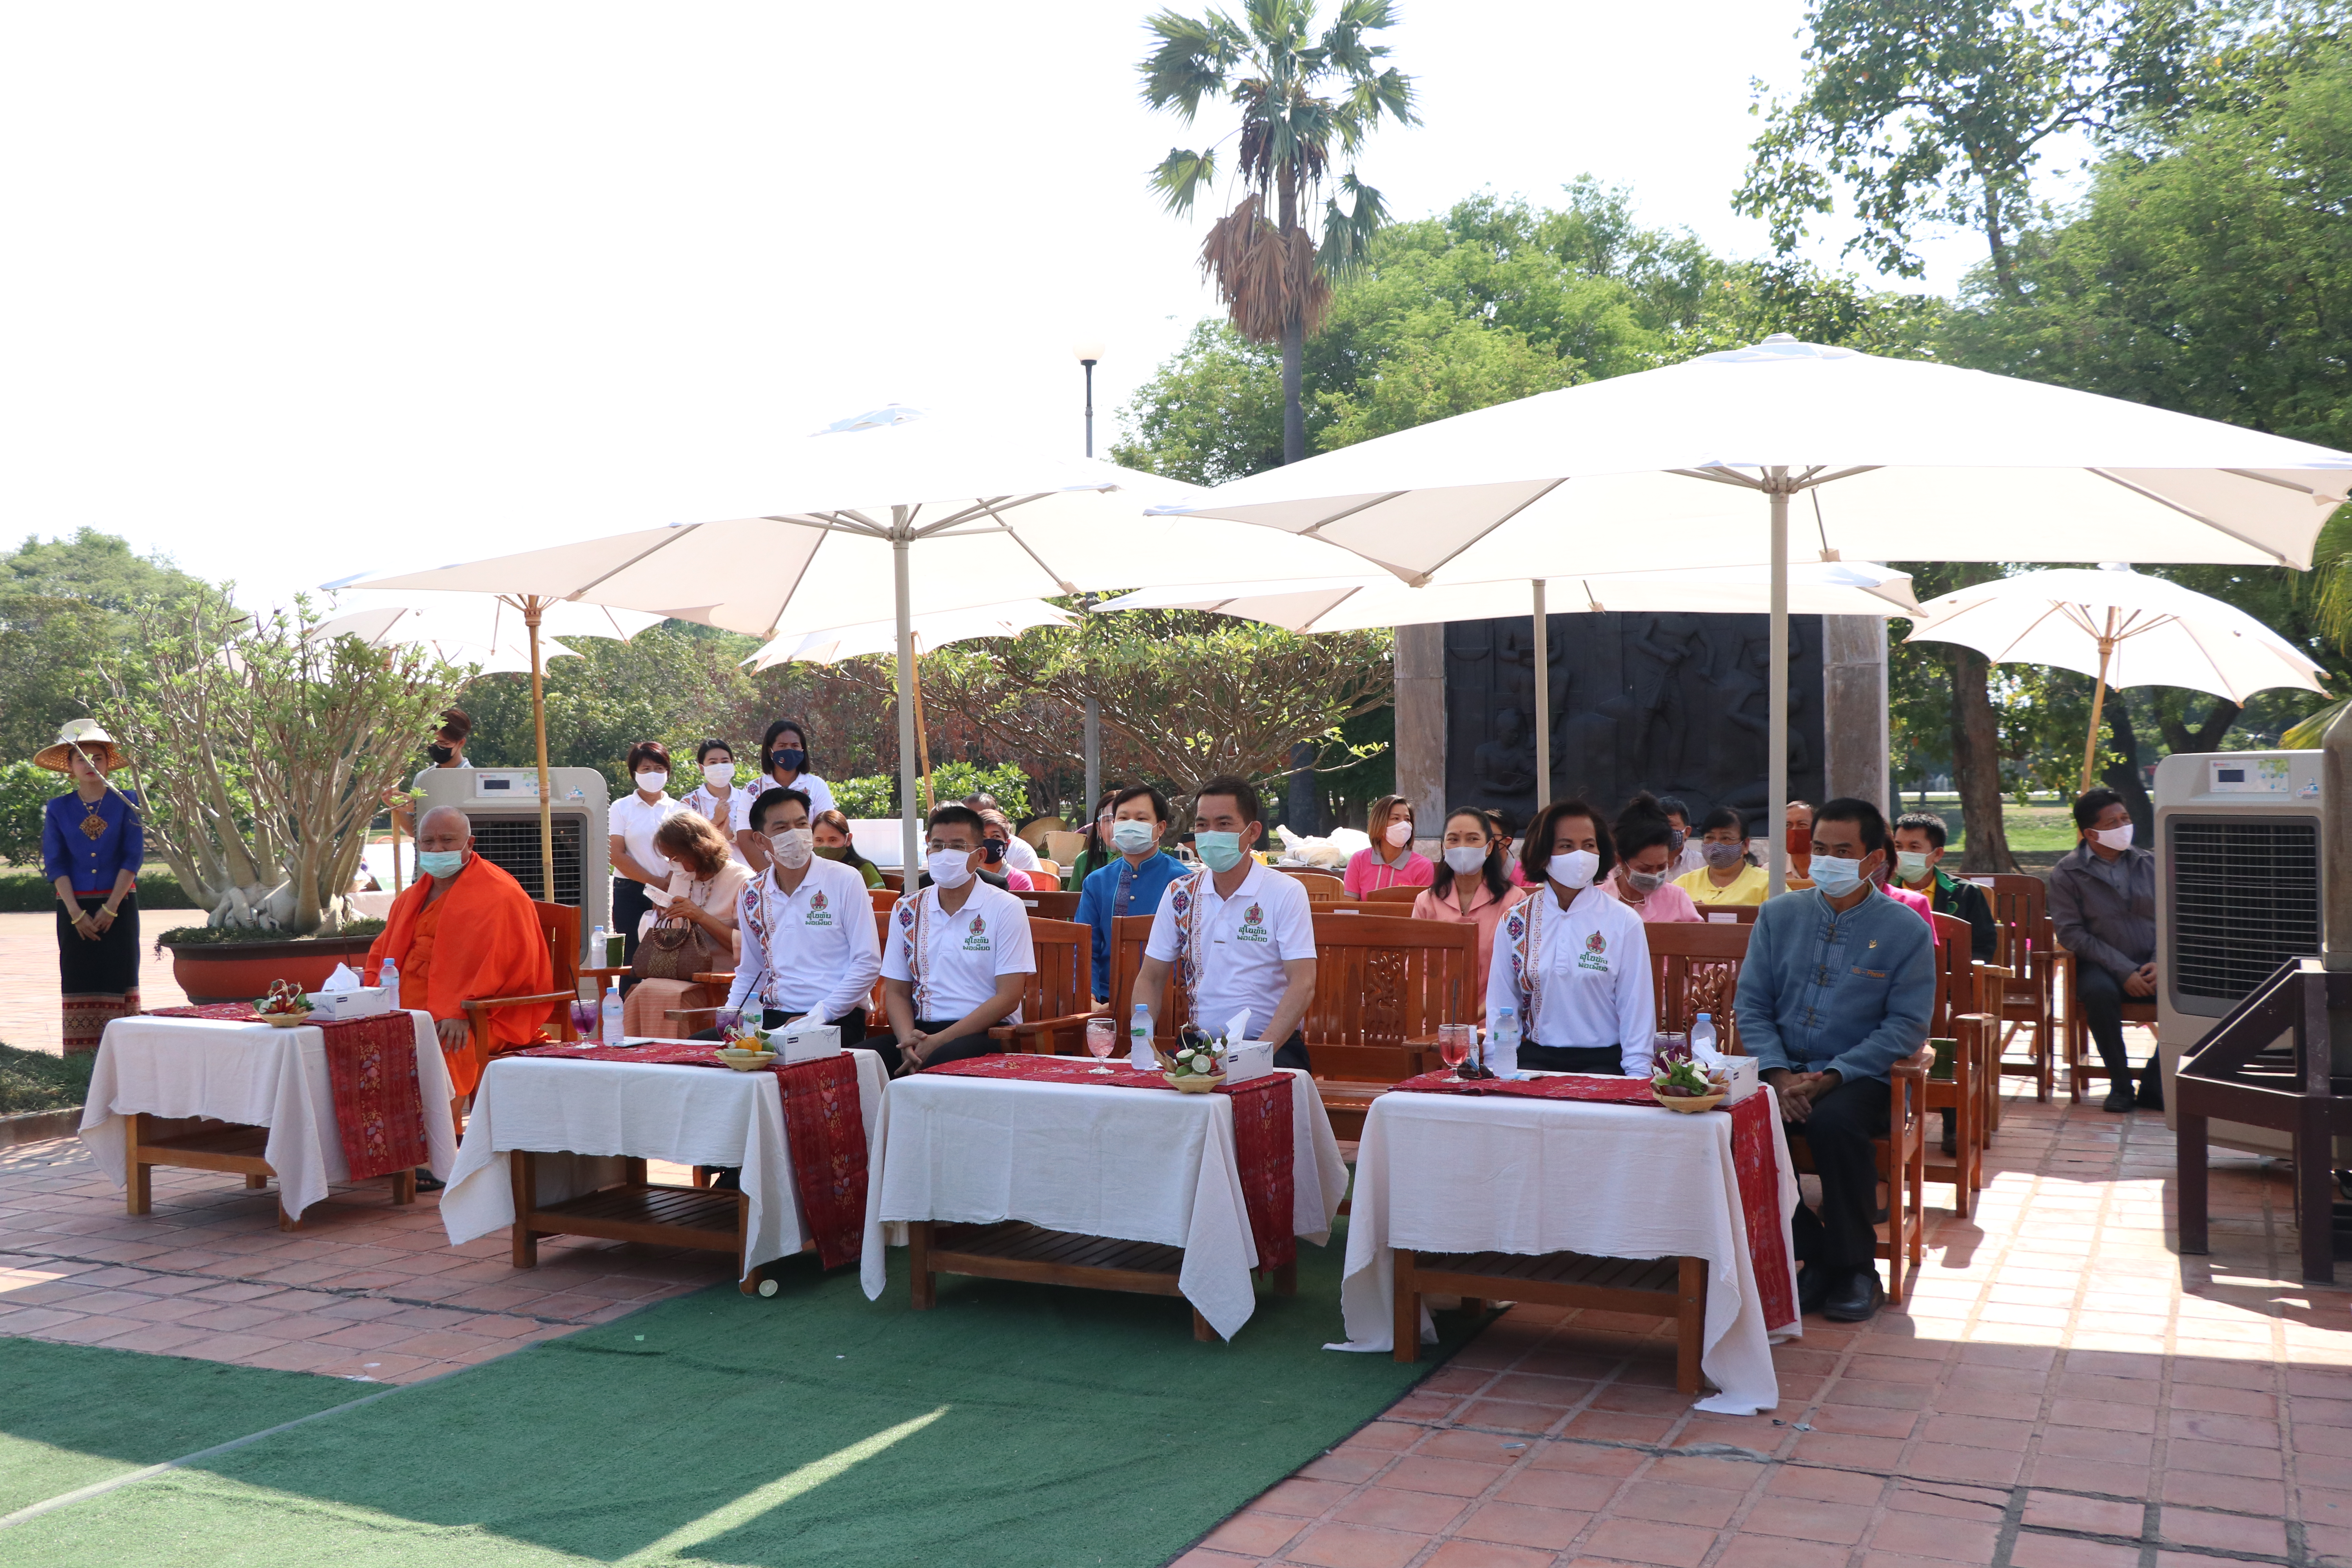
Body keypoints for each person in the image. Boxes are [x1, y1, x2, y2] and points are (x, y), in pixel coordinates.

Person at [1734, 797, 1934, 1324]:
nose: (1827, 861)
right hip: (1780, 1068)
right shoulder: (1779, 914)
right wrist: (1779, 1074)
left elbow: (1907, 1025)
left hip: (1862, 1075)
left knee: (1834, 1124)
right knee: (1736, 1123)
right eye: (1819, 848)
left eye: (1842, 851)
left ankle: (1856, 1270)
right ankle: (1816, 1254)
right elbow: (1752, 1005)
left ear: (1874, 858)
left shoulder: (1905, 928)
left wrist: (1834, 1075)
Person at [364, 806, 557, 1102]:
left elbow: (513, 967)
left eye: (448, 840)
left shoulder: (502, 894)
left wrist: (463, 1012)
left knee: (447, 1045)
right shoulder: (411, 898)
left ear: (470, 843)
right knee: (359, 1038)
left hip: (482, 1016)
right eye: (429, 842)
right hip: (409, 1011)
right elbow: (382, 957)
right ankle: (387, 1128)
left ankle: (442, 1131)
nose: (437, 849)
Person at [1138, 775, 1318, 1068]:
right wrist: (1141, 1045)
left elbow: (1303, 983)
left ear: (1253, 832)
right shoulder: (1180, 893)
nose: (1210, 834)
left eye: (1223, 824)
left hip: (1271, 1047)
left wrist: (1256, 1055)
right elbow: (1151, 977)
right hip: (1199, 1048)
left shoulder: (1285, 892)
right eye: (1202, 825)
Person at [709, 786, 886, 1058]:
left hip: (834, 1017)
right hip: (773, 1015)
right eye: (782, 828)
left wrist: (818, 1016)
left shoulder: (845, 879)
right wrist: (730, 1019)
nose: (795, 834)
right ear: (760, 841)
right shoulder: (752, 892)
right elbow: (751, 971)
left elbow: (867, 963)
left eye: (802, 824)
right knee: (704, 1050)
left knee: (784, 1058)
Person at [1485, 798, 1656, 1075]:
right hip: (1537, 1058)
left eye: (1589, 845)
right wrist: (1497, 1068)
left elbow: (1637, 1009)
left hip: (1606, 1061)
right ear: (1543, 853)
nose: (1580, 856)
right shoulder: (1515, 921)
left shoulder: (1624, 922)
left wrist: (1638, 1076)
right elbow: (1502, 1004)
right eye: (1566, 846)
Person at [882, 804, 1036, 1070]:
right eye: (938, 846)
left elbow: (1009, 997)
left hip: (987, 1032)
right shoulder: (906, 908)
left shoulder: (1005, 907)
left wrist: (938, 1042)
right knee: (856, 1061)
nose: (946, 854)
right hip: (920, 1031)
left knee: (938, 1062)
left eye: (958, 846)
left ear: (980, 856)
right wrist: (907, 1043)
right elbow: (896, 991)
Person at [2048, 787, 2160, 1112]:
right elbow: (2071, 933)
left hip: (2155, 962)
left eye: (2126, 818)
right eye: (2113, 823)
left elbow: (2175, 918)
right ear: (2090, 834)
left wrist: (2161, 962)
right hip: (2101, 965)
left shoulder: (2152, 863)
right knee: (2098, 993)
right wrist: (2124, 971)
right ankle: (2121, 1085)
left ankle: (2155, 1083)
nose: (2124, 826)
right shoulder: (2067, 873)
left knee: (2199, 991)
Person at [37, 721, 143, 1053]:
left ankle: (123, 1057)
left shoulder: (129, 802)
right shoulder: (58, 808)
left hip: (120, 905)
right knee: (78, 977)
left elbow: (133, 857)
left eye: (98, 757)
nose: (90, 765)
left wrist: (111, 908)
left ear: (108, 763)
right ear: (70, 767)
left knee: (120, 976)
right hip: (74, 907)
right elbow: (56, 862)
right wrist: (76, 913)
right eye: (81, 759)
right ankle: (80, 1060)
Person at [622, 813, 753, 1038]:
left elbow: (751, 947)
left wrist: (701, 917)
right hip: (680, 976)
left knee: (672, 998)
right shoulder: (682, 878)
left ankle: (678, 1057)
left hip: (721, 983)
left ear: (699, 850)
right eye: (668, 858)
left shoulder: (743, 881)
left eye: (675, 857)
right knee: (640, 992)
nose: (672, 865)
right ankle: (644, 1057)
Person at [1074, 784, 1186, 1004]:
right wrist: (1090, 998)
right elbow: (1085, 948)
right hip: (1103, 997)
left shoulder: (1182, 883)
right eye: (1123, 818)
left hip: (1165, 1000)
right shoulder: (1097, 882)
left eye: (1141, 819)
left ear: (1161, 828)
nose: (1131, 825)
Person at [1410, 807, 1525, 1017]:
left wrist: (1471, 1017)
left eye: (1473, 839)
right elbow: (1417, 971)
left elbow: (1515, 975)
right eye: (1453, 840)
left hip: (1494, 1021)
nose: (1463, 847)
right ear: (1443, 847)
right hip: (1434, 1020)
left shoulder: (1514, 901)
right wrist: (1440, 1016)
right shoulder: (1426, 901)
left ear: (1489, 847)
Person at [607, 741, 685, 972]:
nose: (653, 774)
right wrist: (655, 884)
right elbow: (616, 854)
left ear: (668, 772)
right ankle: (629, 997)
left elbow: (685, 853)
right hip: (631, 891)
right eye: (646, 769)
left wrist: (665, 888)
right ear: (635, 773)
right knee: (632, 959)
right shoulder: (621, 808)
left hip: (672, 890)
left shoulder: (680, 809)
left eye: (659, 769)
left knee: (670, 955)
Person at [1891, 812, 1997, 961]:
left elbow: (1983, 947)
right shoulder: (1883, 892)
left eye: (1914, 847)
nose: (1903, 854)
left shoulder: (1966, 893)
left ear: (1938, 854)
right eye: (1898, 846)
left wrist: (1960, 970)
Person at [738, 720, 835, 867]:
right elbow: (746, 838)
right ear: (770, 750)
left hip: (811, 868)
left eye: (795, 746)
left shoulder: (817, 785)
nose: (789, 750)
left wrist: (811, 872)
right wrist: (771, 875)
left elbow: (827, 830)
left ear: (803, 749)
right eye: (782, 746)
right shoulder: (753, 789)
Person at [1607, 793, 1704, 923]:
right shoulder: (1597, 899)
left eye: (1662, 867)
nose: (1655, 876)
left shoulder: (1677, 899)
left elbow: (1699, 935)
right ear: (1620, 860)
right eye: (1644, 869)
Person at [383, 707, 473, 838]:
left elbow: (466, 827)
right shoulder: (423, 778)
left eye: (443, 744)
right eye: (431, 742)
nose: (437, 748)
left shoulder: (472, 779)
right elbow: (412, 830)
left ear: (461, 743)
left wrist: (420, 808)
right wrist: (397, 805)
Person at [1675, 806, 1769, 907]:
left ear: (1745, 845)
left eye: (1726, 838)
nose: (1716, 845)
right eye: (1710, 838)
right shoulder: (1684, 883)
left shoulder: (1767, 884)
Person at [1343, 793, 1435, 897]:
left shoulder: (1423, 866)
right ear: (1379, 823)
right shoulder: (1359, 860)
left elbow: (1423, 906)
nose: (1404, 825)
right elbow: (1350, 905)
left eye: (1407, 820)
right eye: (1396, 818)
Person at [681, 738, 754, 862]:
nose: (720, 767)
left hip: (747, 870)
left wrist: (730, 835)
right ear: (702, 768)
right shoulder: (690, 803)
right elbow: (685, 844)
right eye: (713, 763)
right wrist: (715, 821)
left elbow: (759, 840)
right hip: (708, 870)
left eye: (725, 762)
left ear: (732, 764)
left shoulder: (747, 798)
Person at [962, 792, 1044, 877]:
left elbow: (1031, 882)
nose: (975, 823)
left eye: (984, 816)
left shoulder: (1020, 851)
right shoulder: (959, 847)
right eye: (968, 818)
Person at [810, 808, 884, 889]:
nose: (826, 846)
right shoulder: (808, 871)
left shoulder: (864, 870)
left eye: (833, 840)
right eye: (819, 840)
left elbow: (880, 897)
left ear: (848, 839)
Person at [1066, 790, 1121, 887]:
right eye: (1108, 820)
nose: (1115, 826)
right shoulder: (1084, 860)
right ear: (1099, 829)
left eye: (1123, 818)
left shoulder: (1145, 859)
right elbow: (1074, 896)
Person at [975, 808, 1035, 891]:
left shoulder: (1020, 881)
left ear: (1007, 844)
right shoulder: (967, 878)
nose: (989, 841)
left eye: (996, 836)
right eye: (983, 837)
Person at [1660, 796, 1706, 878]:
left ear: (1687, 832)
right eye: (1658, 825)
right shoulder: (1639, 864)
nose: (1664, 830)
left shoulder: (1704, 865)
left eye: (1671, 825)